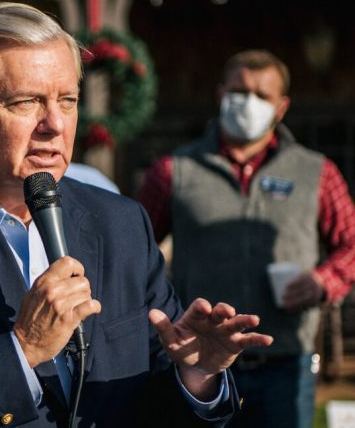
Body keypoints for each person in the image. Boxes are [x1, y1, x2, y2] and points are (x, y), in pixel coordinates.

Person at [0, 2, 272, 428]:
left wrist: (196, 376)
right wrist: (22, 350)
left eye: (68, 101)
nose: (54, 124)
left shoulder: (120, 223)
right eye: (26, 102)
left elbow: (148, 401)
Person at [137, 49, 355, 428]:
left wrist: (324, 282)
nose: (247, 103)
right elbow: (134, 250)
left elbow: (351, 243)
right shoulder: (175, 171)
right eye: (239, 91)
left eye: (261, 95)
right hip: (200, 364)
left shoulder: (316, 171)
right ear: (221, 95)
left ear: (281, 107)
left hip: (286, 362)